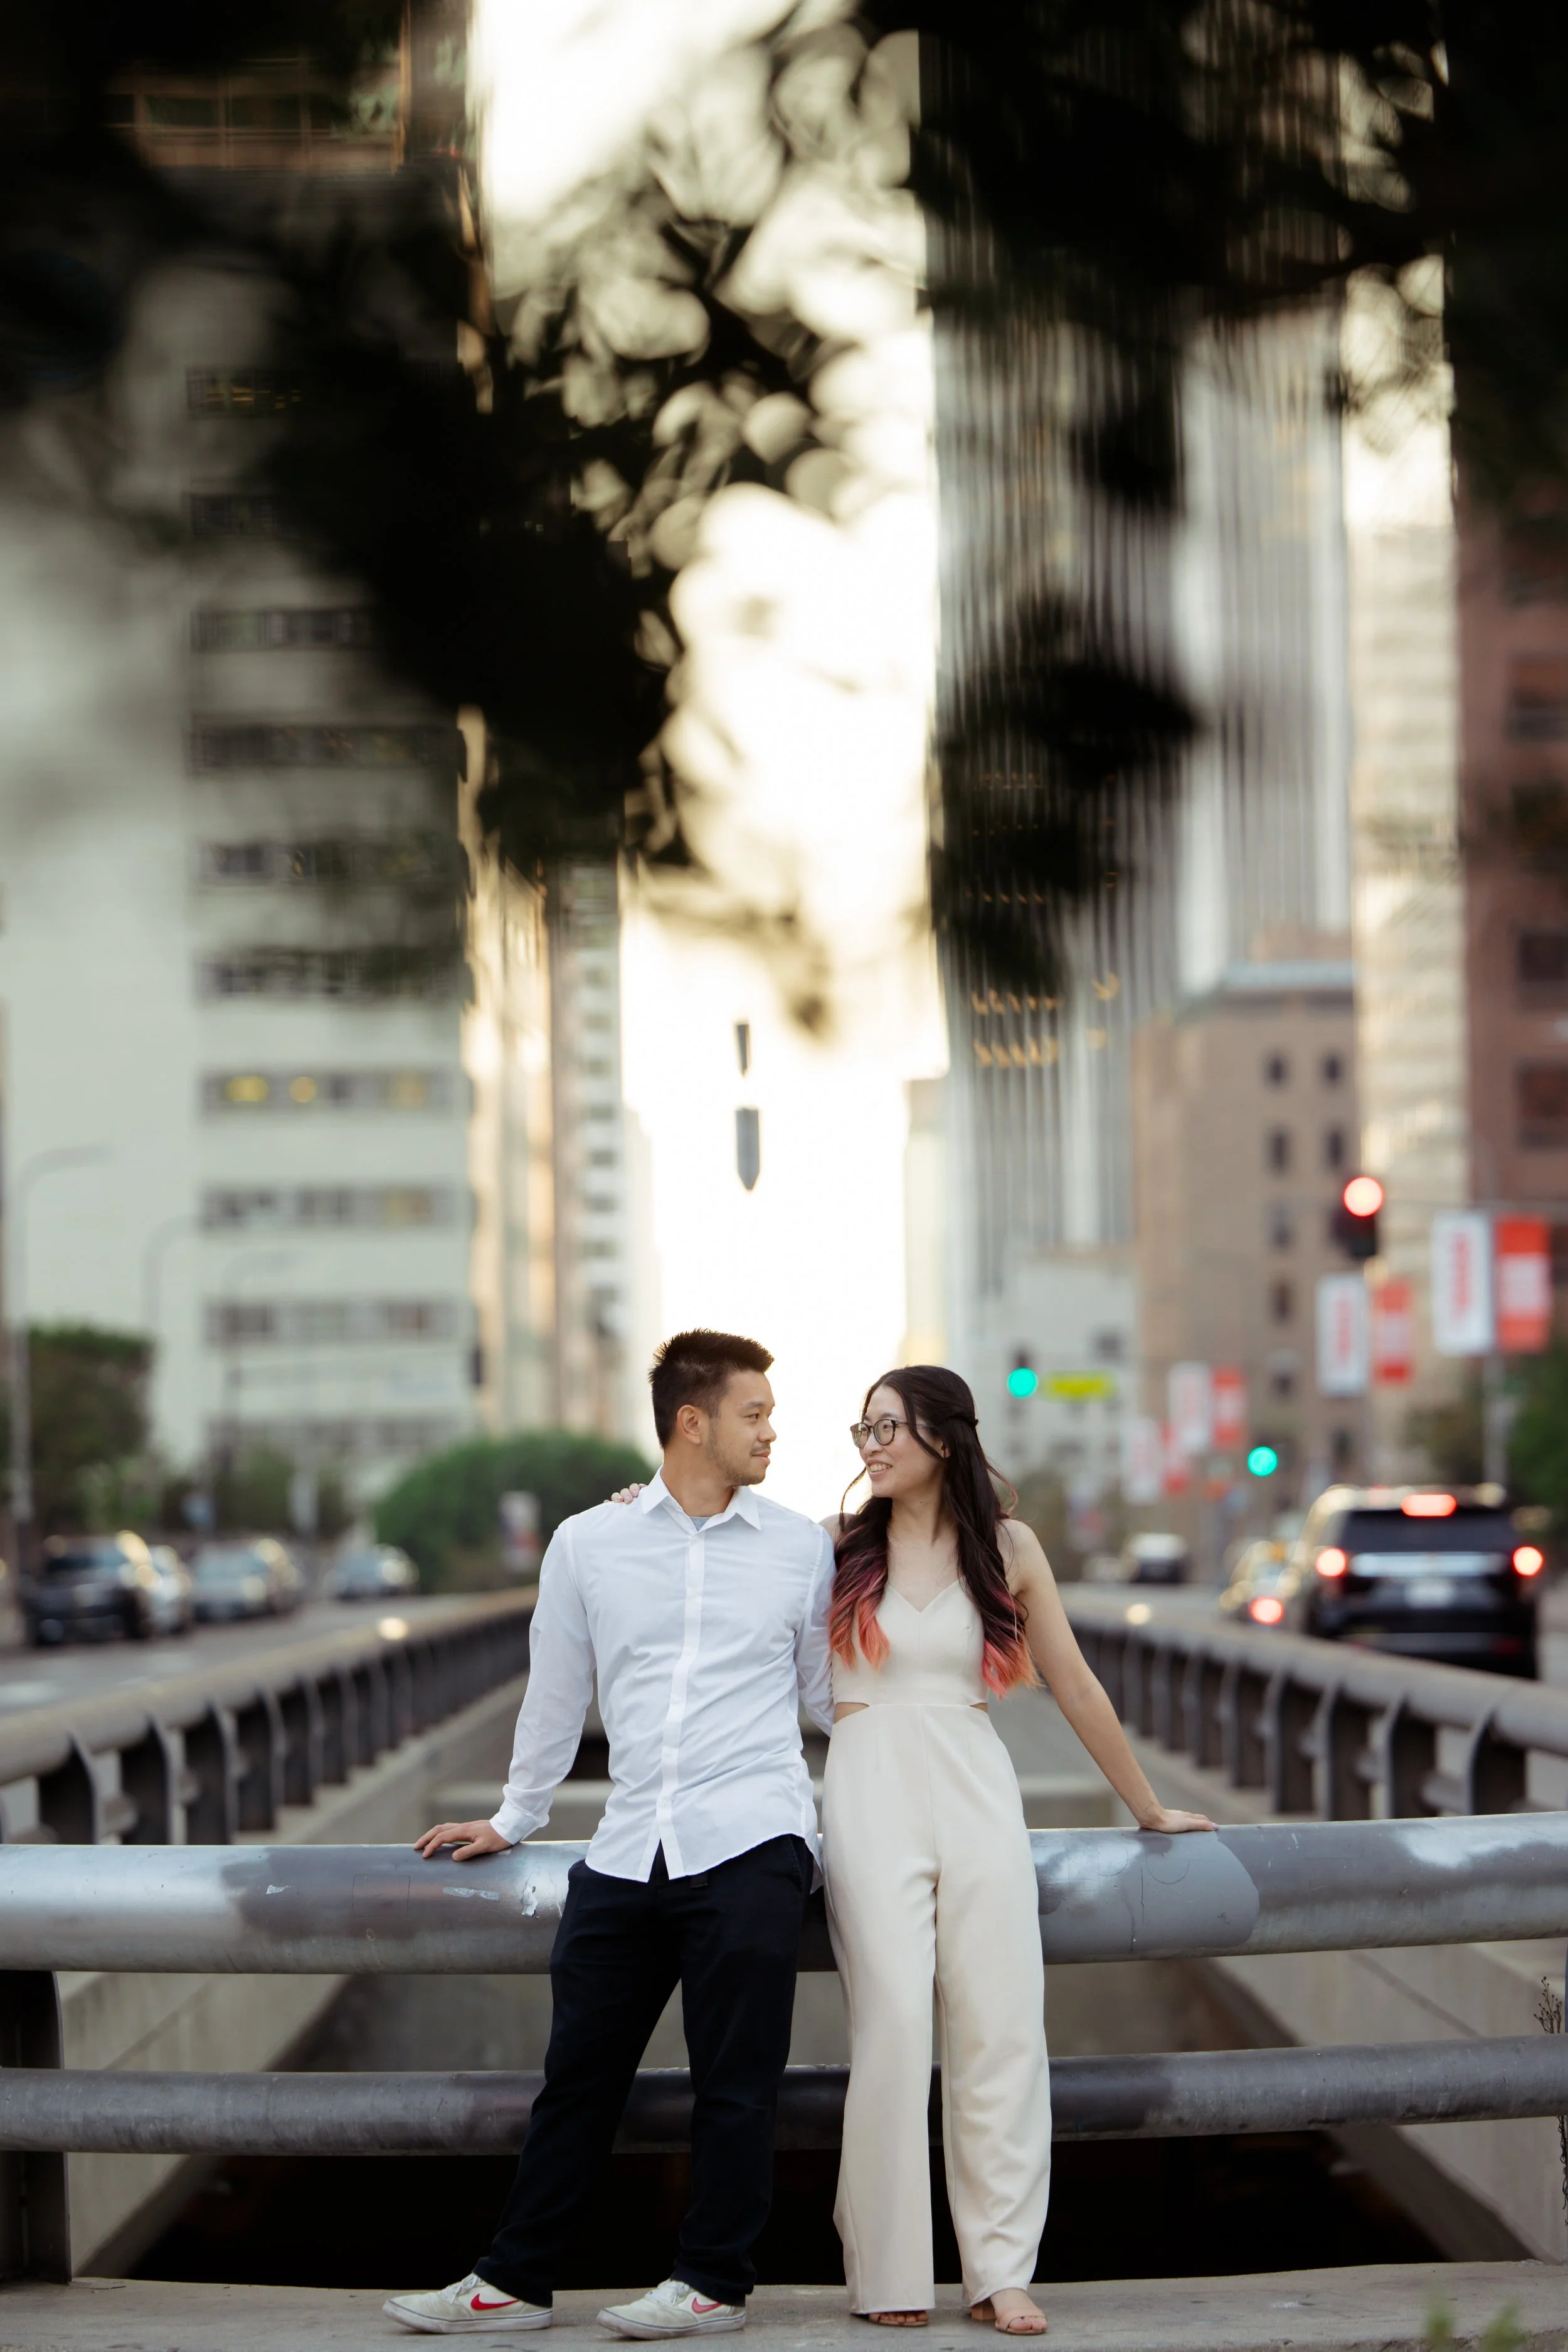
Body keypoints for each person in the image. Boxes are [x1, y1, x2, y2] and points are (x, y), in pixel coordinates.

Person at [383, 1328, 835, 2340]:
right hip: (628, 1849)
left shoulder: (803, 1546)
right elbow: (556, 1689)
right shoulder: (590, 1541)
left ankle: (712, 2278)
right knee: (578, 2076)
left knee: (737, 2081)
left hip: (754, 1841)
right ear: (693, 1421)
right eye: (753, 1412)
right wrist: (514, 1816)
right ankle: (515, 2281)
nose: (772, 1430)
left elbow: (828, 1699)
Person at [825, 1366, 1211, 2335]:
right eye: (862, 1427)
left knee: (1000, 2028)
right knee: (897, 2027)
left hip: (977, 1788)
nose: (869, 1444)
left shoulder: (1009, 1547)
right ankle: (890, 2268)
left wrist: (1149, 1804)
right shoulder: (831, 1547)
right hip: (869, 1789)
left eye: (887, 1426)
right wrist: (641, 1507)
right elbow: (720, 1564)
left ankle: (998, 2268)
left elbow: (1076, 1685)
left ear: (943, 1439)